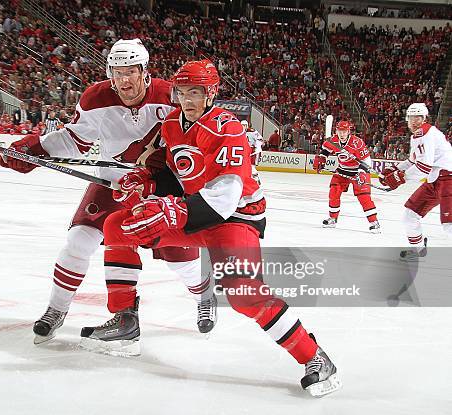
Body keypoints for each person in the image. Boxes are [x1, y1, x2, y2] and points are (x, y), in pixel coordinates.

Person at [90, 59, 340, 397]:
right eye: (182, 92)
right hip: (195, 215)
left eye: (196, 92)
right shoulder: (172, 126)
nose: (188, 99)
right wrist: (146, 180)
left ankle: (315, 357)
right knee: (118, 224)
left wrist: (170, 209)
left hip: (236, 219)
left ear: (211, 94)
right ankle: (124, 320)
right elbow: (172, 174)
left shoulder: (228, 127)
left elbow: (225, 197)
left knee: (243, 293)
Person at [0, 39, 213, 345]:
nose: (124, 80)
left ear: (144, 71)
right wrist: (33, 149)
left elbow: (202, 128)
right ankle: (56, 309)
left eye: (131, 72)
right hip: (112, 183)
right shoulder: (95, 98)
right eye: (117, 71)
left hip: (159, 187)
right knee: (78, 241)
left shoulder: (170, 96)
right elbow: (75, 139)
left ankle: (205, 297)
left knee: (180, 257)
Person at [380, 103, 452, 260]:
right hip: (435, 179)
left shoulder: (426, 134)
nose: (414, 121)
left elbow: (424, 167)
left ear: (424, 118)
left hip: (448, 178)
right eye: (411, 117)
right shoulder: (418, 136)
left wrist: (400, 178)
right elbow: (413, 161)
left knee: (449, 225)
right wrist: (392, 170)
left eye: (418, 117)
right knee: (410, 215)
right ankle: (417, 249)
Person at [313, 121, 381, 233]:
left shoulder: (357, 142)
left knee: (364, 197)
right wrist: (321, 158)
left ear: (348, 131)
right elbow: (326, 150)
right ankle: (333, 219)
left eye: (344, 131)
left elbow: (366, 160)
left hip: (358, 170)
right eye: (340, 131)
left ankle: (374, 222)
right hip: (342, 170)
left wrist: (362, 173)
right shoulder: (333, 140)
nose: (342, 134)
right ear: (336, 131)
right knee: (333, 192)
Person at [241, 120, 264, 184]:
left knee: (252, 166)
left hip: (254, 151)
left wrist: (256, 147)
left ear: (247, 125)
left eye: (245, 125)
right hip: (247, 151)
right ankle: (253, 178)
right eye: (242, 125)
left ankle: (256, 179)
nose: (243, 127)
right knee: (246, 166)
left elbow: (260, 139)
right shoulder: (240, 132)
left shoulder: (252, 131)